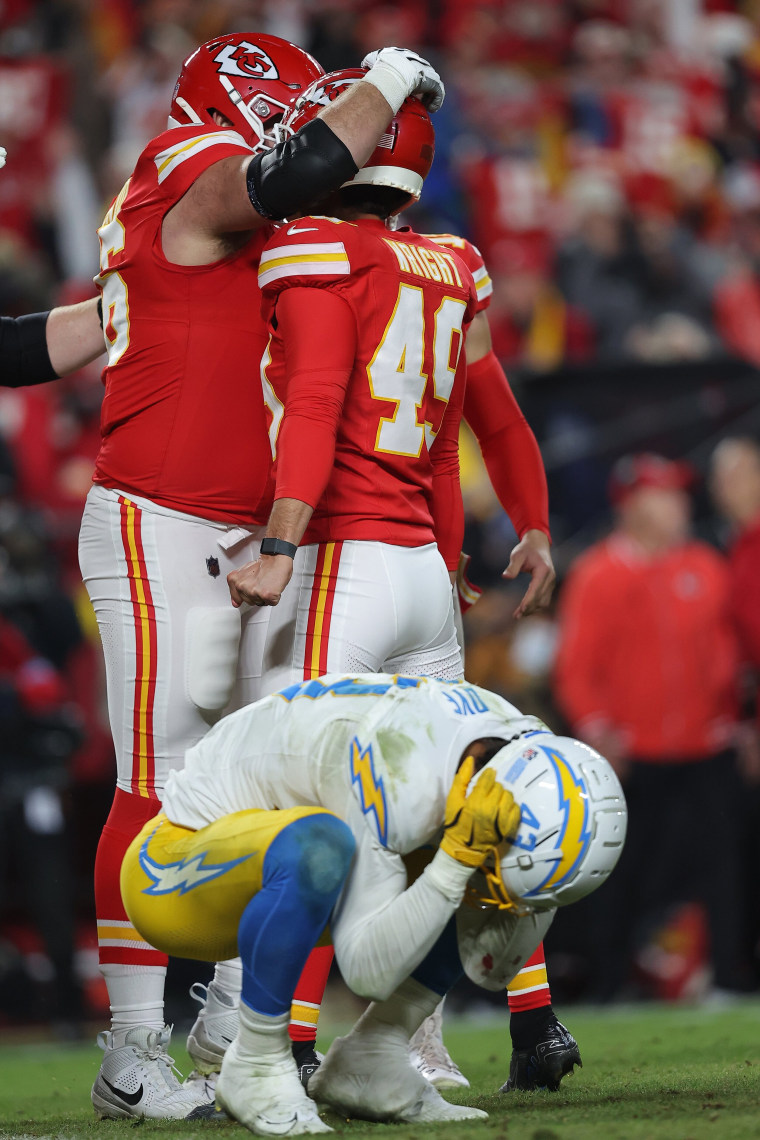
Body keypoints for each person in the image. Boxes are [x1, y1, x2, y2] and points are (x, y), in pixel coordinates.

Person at [77, 32, 446, 1121]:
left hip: (248, 539)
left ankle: (236, 1019)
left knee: (270, 778)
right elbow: (296, 170)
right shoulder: (184, 158)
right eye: (284, 109)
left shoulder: (226, 223)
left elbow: (83, 336)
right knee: (158, 777)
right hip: (159, 516)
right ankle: (131, 1050)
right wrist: (389, 79)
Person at [119, 671, 627, 1135]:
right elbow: (366, 972)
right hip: (172, 870)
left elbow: (493, 959)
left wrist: (495, 885)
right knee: (324, 844)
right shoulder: (401, 764)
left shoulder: (517, 755)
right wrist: (456, 863)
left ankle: (371, 1058)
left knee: (462, 867)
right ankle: (254, 1062)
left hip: (283, 873)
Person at [554, 453, 751, 1000]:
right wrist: (597, 729)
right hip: (632, 749)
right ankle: (609, 983)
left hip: (702, 744)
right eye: (668, 496)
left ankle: (730, 978)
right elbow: (576, 666)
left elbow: (726, 654)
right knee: (615, 870)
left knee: (723, 867)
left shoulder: (703, 566)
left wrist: (734, 721)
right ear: (636, 505)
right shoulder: (599, 574)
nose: (681, 505)